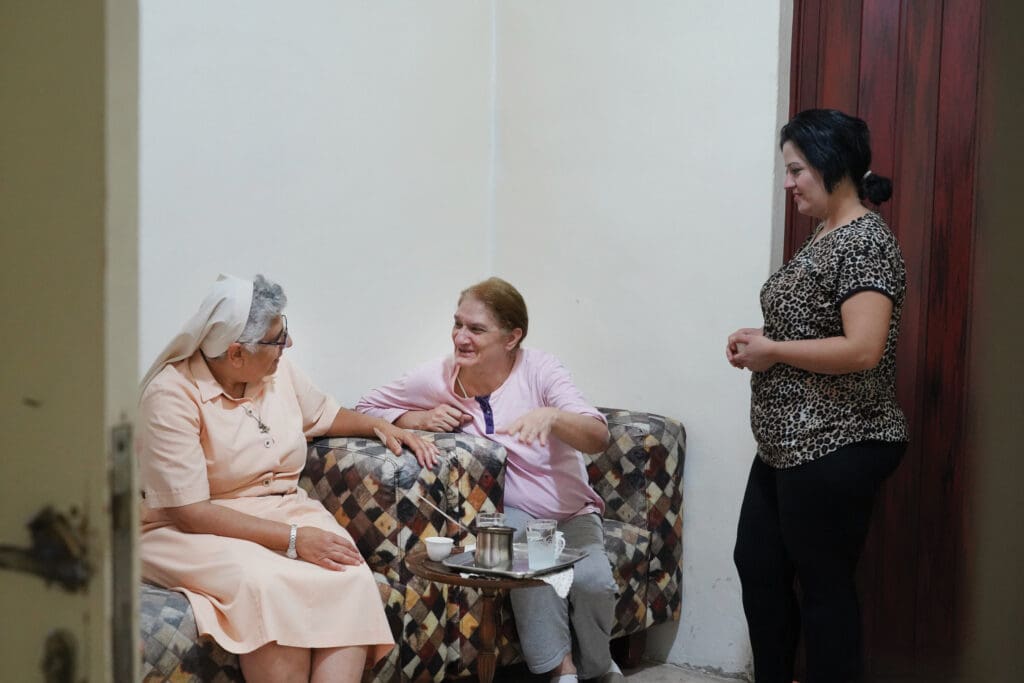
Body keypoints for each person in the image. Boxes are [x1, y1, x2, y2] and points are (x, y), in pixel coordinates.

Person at [138, 274, 438, 683]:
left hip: (284, 509)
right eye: (278, 338)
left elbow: (325, 415)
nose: (288, 346)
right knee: (271, 584)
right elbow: (190, 512)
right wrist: (295, 540)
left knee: (348, 574)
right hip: (191, 529)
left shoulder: (279, 374)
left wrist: (380, 426)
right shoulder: (171, 394)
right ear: (236, 353)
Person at [355, 277, 624, 683]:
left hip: (572, 513)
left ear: (512, 337)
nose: (461, 337)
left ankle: (599, 667)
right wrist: (418, 419)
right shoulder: (441, 376)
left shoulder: (541, 370)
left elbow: (598, 436)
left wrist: (551, 417)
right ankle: (561, 672)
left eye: (476, 329)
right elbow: (366, 406)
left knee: (594, 585)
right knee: (527, 568)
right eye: (458, 324)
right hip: (511, 515)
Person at [727, 109, 909, 683]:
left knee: (825, 588)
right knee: (758, 565)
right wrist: (765, 340)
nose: (789, 183)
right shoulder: (824, 233)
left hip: (839, 439)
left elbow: (862, 349)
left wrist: (775, 351)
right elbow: (813, 327)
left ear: (833, 167)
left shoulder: (865, 241)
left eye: (797, 170)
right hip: (788, 444)